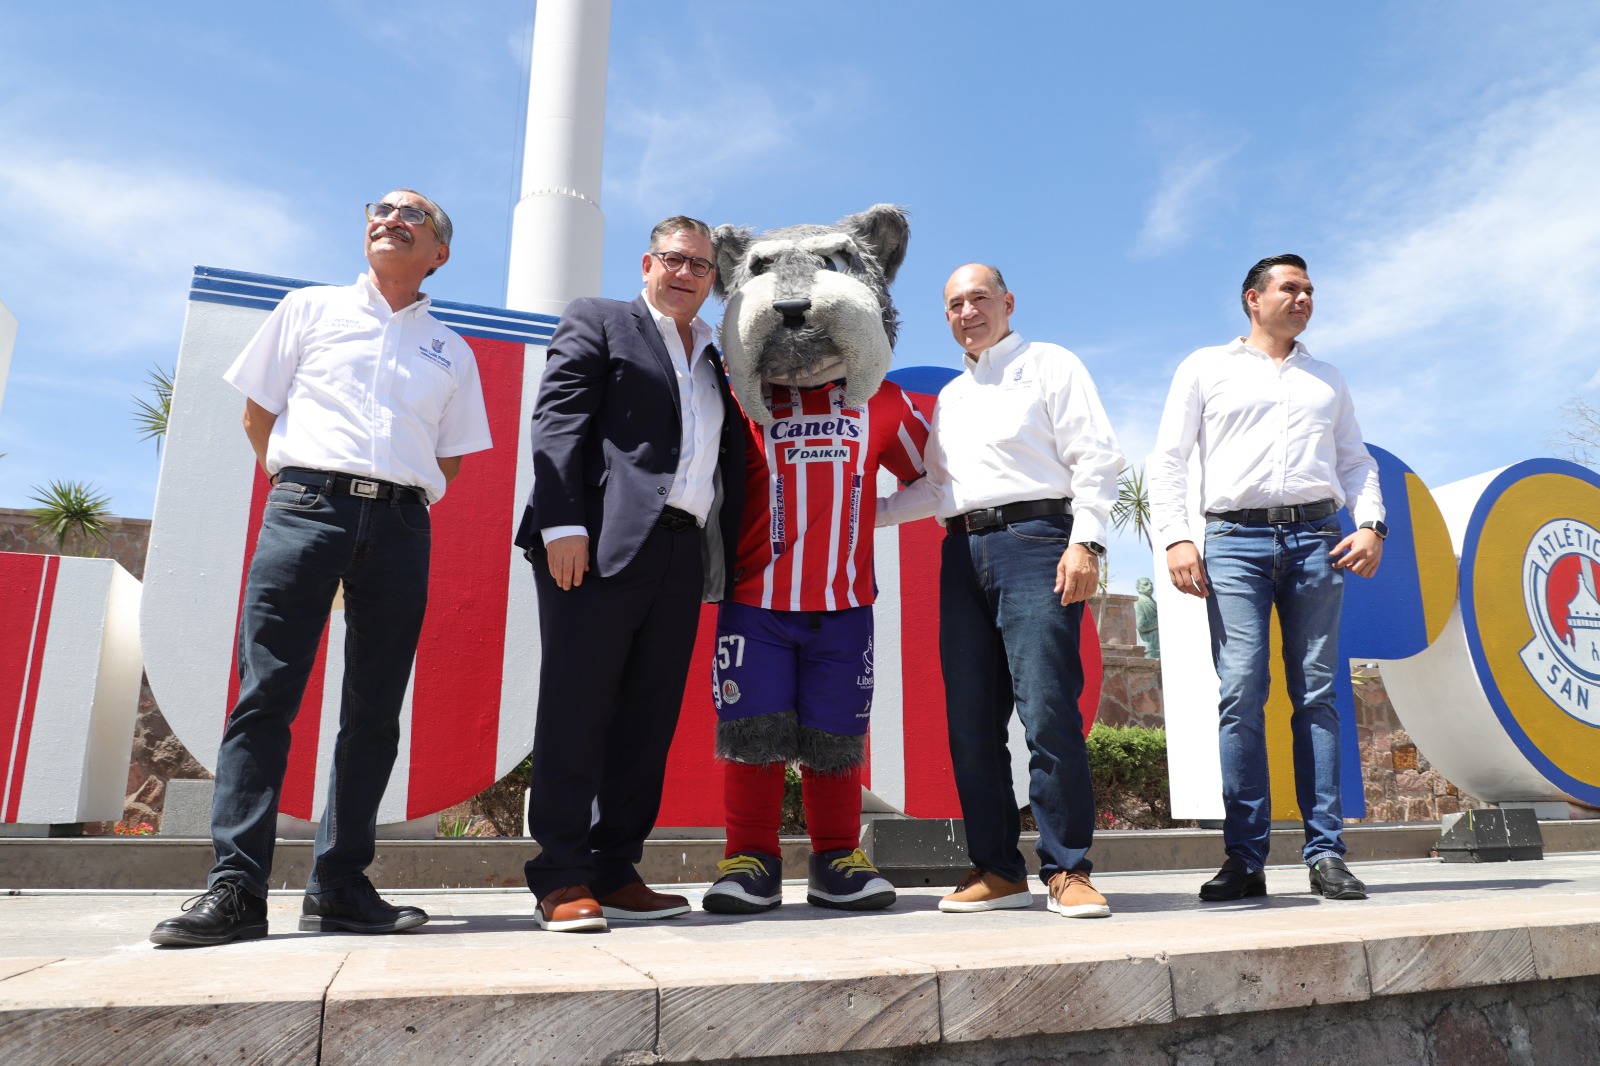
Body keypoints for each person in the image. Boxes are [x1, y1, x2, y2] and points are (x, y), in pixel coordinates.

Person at [151, 189, 492, 946]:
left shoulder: (451, 349)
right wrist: (300, 486)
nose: (390, 219)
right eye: (381, 209)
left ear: (439, 252)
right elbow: (256, 413)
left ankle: (339, 886)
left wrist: (392, 500)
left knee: (373, 711)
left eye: (414, 216)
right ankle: (235, 888)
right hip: (306, 507)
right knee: (265, 697)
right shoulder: (309, 310)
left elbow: (451, 456)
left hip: (402, 522)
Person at [513, 216, 744, 933]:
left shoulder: (714, 354)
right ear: (647, 262)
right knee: (577, 709)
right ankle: (558, 873)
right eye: (674, 259)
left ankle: (614, 869)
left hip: (681, 551)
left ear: (713, 280)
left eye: (700, 267)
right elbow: (556, 421)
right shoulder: (600, 319)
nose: (685, 274)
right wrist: (563, 526)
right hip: (596, 545)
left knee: (648, 719)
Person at [878, 264, 1124, 919]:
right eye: (955, 304)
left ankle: (1068, 869)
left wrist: (1086, 542)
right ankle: (997, 868)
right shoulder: (953, 397)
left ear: (1008, 302)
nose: (967, 312)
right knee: (970, 724)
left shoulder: (1050, 365)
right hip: (960, 553)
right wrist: (855, 516)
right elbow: (935, 489)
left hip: (1039, 543)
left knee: (1047, 713)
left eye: (978, 298)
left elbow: (1097, 460)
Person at [1148, 253, 1385, 903]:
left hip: (1316, 540)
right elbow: (1168, 459)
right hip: (1232, 540)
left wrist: (1371, 525)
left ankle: (1326, 853)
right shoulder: (1204, 367)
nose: (1304, 296)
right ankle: (1244, 858)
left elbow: (1356, 462)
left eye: (1309, 288)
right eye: (1290, 287)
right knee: (1241, 690)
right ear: (1254, 298)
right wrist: (1174, 537)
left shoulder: (1327, 379)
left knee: (1316, 695)